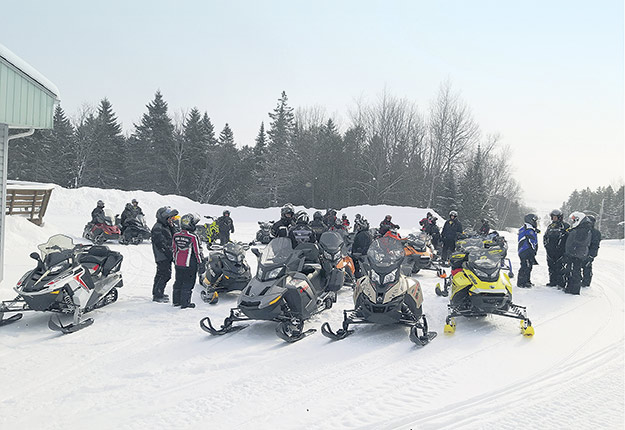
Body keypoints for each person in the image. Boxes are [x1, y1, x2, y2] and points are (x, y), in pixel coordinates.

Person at [172, 213, 205, 308]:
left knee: (178, 281)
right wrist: (201, 263)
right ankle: (185, 303)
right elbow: (197, 251)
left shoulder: (176, 235)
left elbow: (174, 249)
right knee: (188, 283)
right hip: (190, 263)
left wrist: (175, 260)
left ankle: (176, 301)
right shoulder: (193, 237)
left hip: (178, 263)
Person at [151, 206, 179, 303]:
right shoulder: (158, 228)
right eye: (170, 218)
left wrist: (172, 226)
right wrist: (171, 255)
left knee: (160, 274)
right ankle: (158, 295)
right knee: (165, 275)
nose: (172, 220)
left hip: (164, 255)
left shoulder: (166, 226)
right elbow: (161, 244)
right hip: (162, 256)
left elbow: (174, 236)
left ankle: (157, 293)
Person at [563, 212, 592, 295]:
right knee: (572, 270)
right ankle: (570, 287)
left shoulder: (583, 229)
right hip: (575, 253)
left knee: (575, 271)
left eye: (574, 220)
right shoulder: (581, 228)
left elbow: (578, 242)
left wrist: (571, 250)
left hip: (576, 253)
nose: (573, 222)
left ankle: (574, 289)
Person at [543, 209, 570, 287]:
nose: (554, 218)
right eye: (553, 217)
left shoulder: (565, 226)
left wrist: (565, 249)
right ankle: (552, 281)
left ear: (560, 217)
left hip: (561, 251)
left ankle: (561, 283)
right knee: (551, 267)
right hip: (550, 251)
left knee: (561, 268)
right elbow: (545, 237)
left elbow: (569, 238)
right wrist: (546, 246)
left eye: (556, 217)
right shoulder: (550, 226)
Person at [517, 214, 539, 288]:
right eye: (534, 220)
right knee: (525, 266)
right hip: (526, 250)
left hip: (523, 250)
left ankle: (526, 281)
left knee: (528, 266)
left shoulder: (525, 228)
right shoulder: (529, 229)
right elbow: (532, 240)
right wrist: (534, 250)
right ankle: (522, 282)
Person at [582, 215, 601, 287]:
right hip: (581, 252)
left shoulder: (595, 232)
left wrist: (592, 255)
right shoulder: (582, 230)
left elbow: (595, 245)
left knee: (587, 267)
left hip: (589, 252)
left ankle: (586, 282)